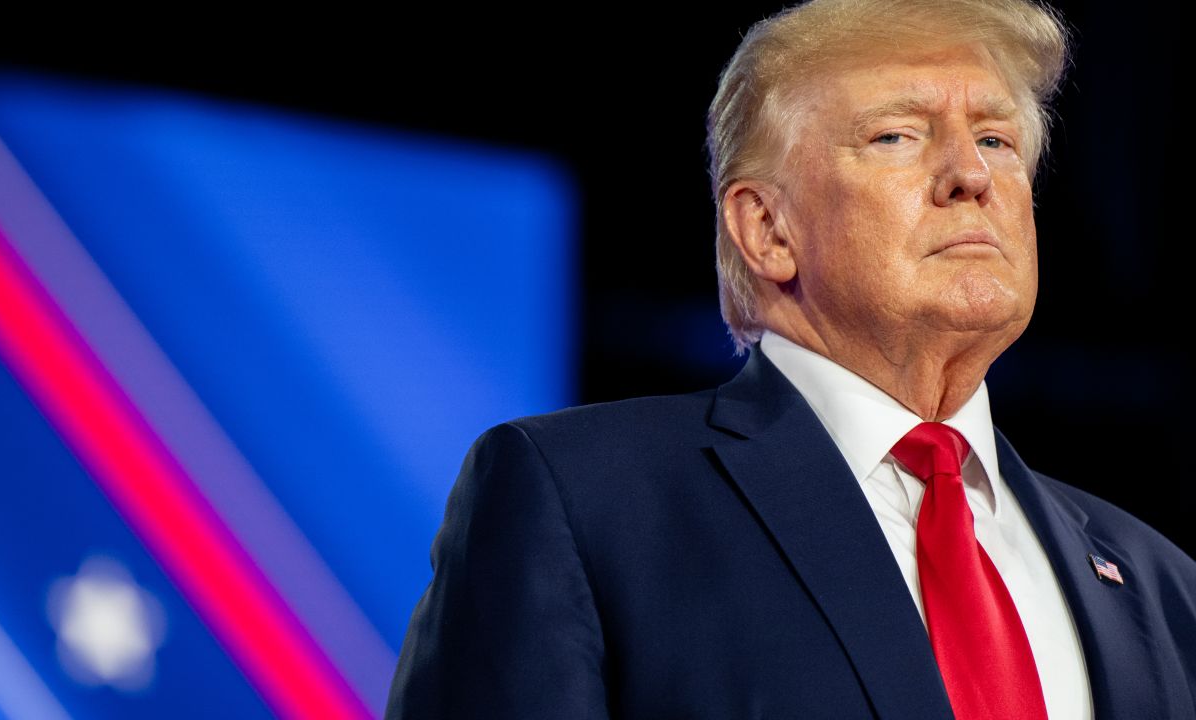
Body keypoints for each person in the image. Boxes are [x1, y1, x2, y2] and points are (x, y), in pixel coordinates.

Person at [385, 0, 1196, 718]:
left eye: (996, 138)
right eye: (897, 135)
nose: (971, 175)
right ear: (767, 230)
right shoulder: (580, 502)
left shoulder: (1161, 585)